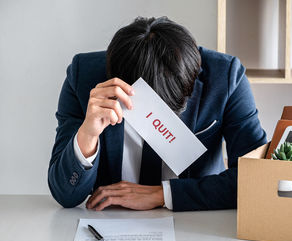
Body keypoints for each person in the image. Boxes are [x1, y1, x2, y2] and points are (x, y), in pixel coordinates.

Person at [48, 16, 266, 212]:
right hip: (110, 221)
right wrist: (88, 134)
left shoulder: (225, 77)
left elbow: (256, 178)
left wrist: (163, 194)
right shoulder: (83, 76)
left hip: (196, 222)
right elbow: (65, 195)